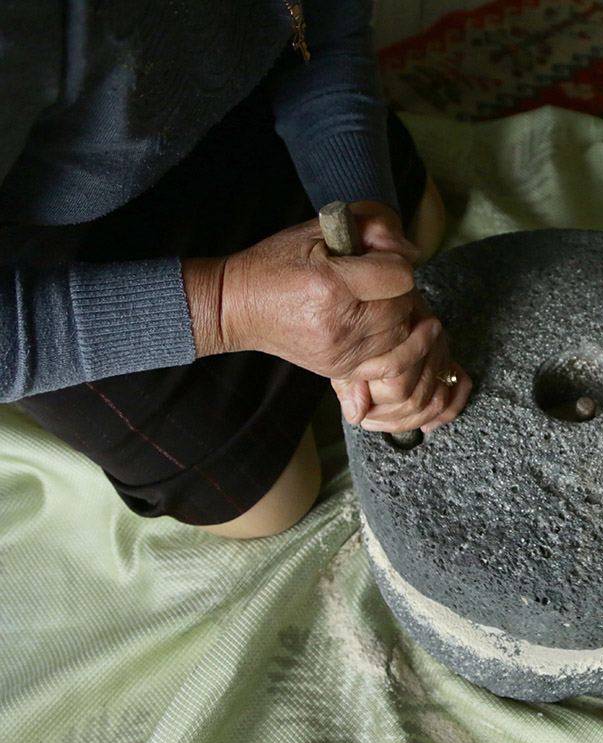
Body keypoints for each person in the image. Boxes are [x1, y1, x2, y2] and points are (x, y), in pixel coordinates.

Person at [0, 0, 471, 538]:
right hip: (58, 231)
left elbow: (321, 36)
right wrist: (226, 307)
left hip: (219, 101)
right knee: (273, 503)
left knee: (420, 224)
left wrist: (364, 217)